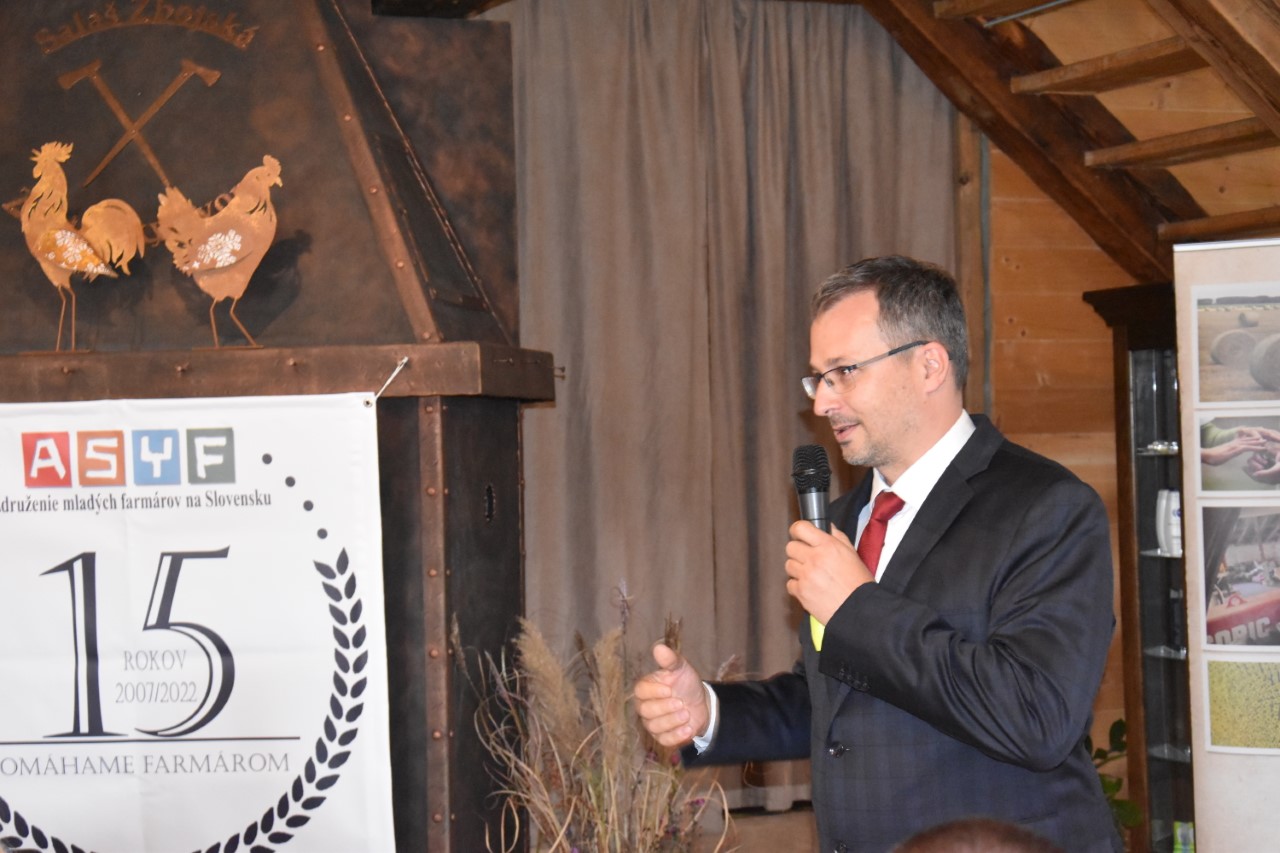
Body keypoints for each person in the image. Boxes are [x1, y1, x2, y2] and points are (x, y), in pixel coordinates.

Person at [634, 256, 1121, 852]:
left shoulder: (1046, 507)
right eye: (818, 378)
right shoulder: (844, 520)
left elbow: (1036, 716)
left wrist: (857, 606)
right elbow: (835, 703)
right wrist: (710, 712)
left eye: (844, 372)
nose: (822, 403)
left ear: (929, 365)